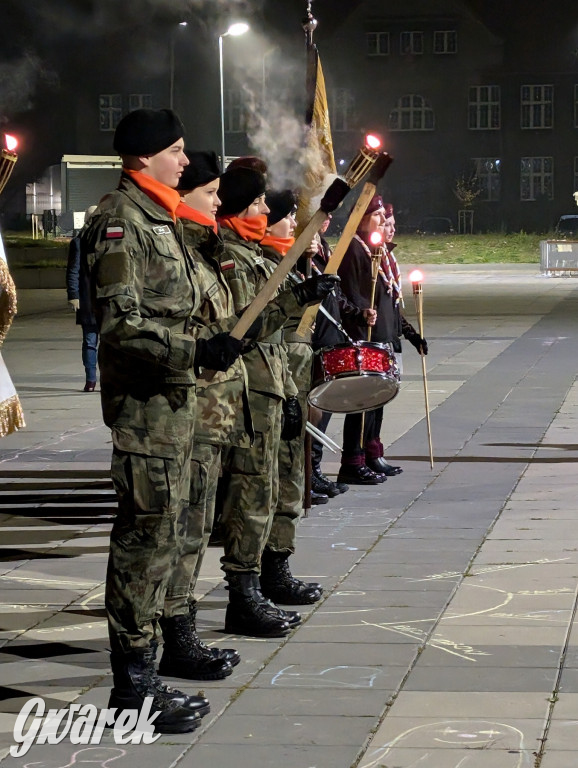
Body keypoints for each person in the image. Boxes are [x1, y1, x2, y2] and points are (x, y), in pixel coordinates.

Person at [81, 108, 243, 733]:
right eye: (175, 151)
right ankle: (134, 685)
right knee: (143, 541)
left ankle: (166, 648)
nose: (186, 161)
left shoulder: (164, 218)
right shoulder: (122, 221)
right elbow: (120, 327)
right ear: (145, 157)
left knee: (174, 533)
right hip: (147, 412)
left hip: (179, 406)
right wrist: (193, 350)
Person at [215, 165, 339, 637]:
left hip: (279, 387)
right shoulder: (234, 256)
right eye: (261, 203)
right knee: (252, 496)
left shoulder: (264, 258)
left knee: (280, 489)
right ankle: (245, 595)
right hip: (252, 395)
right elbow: (251, 327)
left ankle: (273, 572)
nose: (269, 213)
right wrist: (296, 297)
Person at [258, 189, 323, 604]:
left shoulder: (288, 264)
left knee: (289, 483)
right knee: (270, 488)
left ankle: (278, 565)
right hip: (271, 392)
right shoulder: (266, 266)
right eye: (287, 218)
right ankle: (261, 578)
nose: (292, 226)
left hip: (291, 388)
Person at [336, 197, 427, 485]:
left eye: (383, 216)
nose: (383, 223)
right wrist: (358, 314)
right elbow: (347, 294)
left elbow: (390, 303)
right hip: (365, 337)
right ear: (360, 218)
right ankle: (353, 460)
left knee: (379, 400)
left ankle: (371, 454)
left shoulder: (380, 254)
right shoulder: (352, 249)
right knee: (363, 402)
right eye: (376, 215)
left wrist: (411, 334)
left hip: (385, 337)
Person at [66, 205, 99, 391]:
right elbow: (73, 271)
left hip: (108, 300)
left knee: (108, 345)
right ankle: (91, 380)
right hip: (87, 299)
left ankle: (107, 380)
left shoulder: (109, 240)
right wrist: (73, 295)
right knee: (90, 342)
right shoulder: (79, 242)